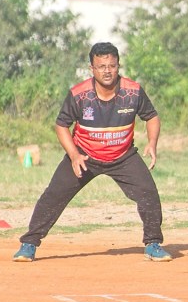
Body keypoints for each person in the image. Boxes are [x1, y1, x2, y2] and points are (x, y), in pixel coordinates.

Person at [12, 42, 171, 262]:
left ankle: (153, 244)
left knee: (148, 192)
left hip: (123, 156)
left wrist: (152, 142)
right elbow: (61, 125)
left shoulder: (133, 91)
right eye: (101, 66)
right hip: (84, 156)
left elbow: (151, 116)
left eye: (112, 66)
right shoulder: (79, 94)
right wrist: (74, 155)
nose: (107, 71)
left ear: (118, 66)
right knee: (53, 196)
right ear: (92, 69)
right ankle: (29, 244)